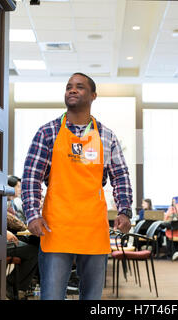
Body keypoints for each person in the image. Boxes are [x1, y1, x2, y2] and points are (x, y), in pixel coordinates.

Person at [21, 72, 133, 300]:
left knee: (92, 297)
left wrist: (124, 210)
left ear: (93, 96)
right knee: (52, 296)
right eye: (69, 86)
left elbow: (120, 176)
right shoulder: (48, 132)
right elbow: (31, 177)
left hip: (93, 227)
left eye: (79, 87)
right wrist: (32, 214)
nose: (72, 90)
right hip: (56, 226)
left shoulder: (107, 136)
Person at [6, 230, 39, 300]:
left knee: (35, 244)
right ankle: (11, 284)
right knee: (34, 252)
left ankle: (15, 286)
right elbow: (15, 223)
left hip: (5, 235)